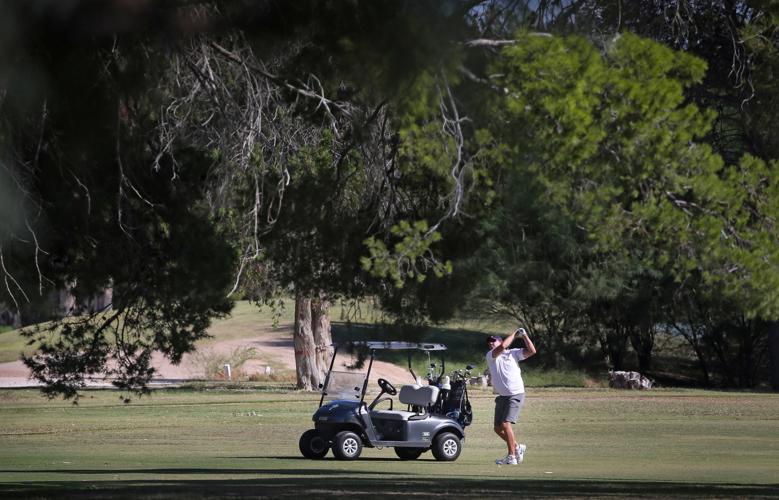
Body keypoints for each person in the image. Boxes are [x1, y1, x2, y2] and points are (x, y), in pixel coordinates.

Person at [486, 327, 537, 465]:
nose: (490, 343)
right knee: (497, 428)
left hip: (515, 394)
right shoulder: (491, 355)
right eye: (489, 342)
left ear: (500, 340)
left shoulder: (513, 353)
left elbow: (532, 351)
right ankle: (517, 447)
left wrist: (525, 335)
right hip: (502, 396)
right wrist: (515, 333)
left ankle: (511, 456)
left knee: (505, 424)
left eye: (493, 341)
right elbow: (502, 346)